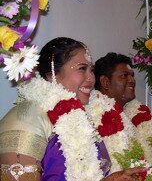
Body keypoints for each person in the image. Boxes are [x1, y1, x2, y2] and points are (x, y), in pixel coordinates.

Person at [0, 37, 143, 180]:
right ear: (52, 75)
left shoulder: (86, 114)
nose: (91, 78)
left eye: (91, 70)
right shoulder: (26, 116)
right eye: (82, 69)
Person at [87, 52, 152, 173]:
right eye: (124, 76)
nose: (132, 80)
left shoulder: (134, 113)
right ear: (105, 82)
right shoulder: (92, 117)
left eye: (132, 75)